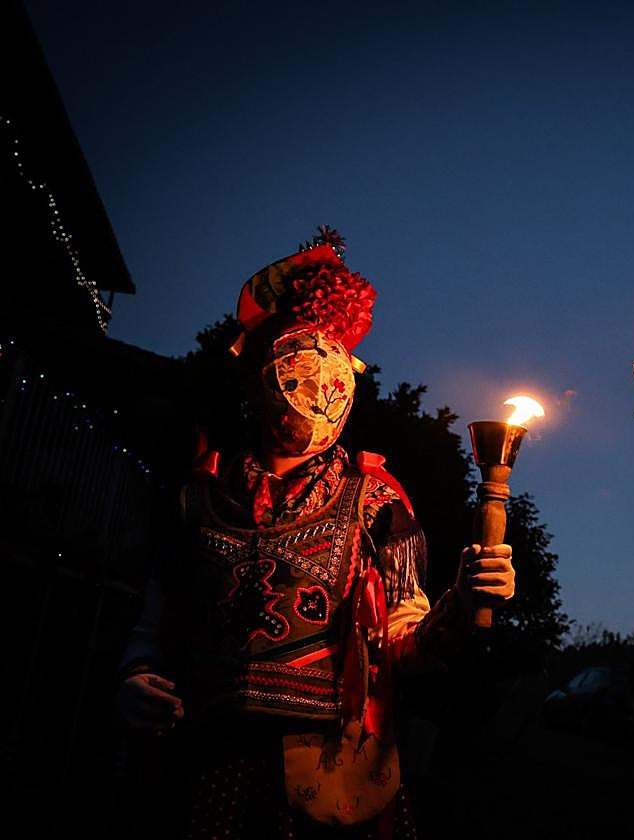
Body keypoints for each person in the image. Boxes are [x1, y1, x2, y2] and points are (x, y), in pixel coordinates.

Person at [116, 227, 516, 838]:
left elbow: (404, 643)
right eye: (297, 372)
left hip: (331, 776)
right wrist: (135, 675)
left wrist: (462, 605)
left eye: (332, 376)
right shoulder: (196, 492)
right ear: (260, 380)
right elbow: (153, 617)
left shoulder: (378, 500)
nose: (316, 391)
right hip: (200, 760)